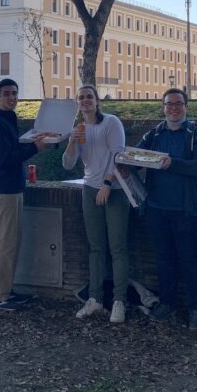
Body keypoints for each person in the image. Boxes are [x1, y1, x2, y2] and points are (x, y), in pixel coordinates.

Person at [134, 88, 197, 329]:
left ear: (186, 107)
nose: (173, 108)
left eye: (178, 104)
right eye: (169, 104)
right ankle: (167, 303)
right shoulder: (154, 134)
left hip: (186, 209)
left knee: (190, 260)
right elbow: (137, 156)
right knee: (164, 259)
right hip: (157, 208)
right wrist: (124, 165)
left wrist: (172, 164)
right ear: (163, 107)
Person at [62, 84, 129, 323]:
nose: (85, 100)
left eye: (89, 96)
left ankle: (119, 301)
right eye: (81, 98)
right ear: (77, 103)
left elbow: (118, 155)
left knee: (117, 246)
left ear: (97, 100)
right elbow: (68, 164)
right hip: (89, 188)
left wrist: (108, 184)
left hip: (114, 189)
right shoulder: (79, 128)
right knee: (96, 247)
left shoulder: (111, 123)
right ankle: (95, 299)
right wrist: (71, 142)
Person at [0, 78, 46, 311]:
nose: (12, 97)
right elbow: (2, 161)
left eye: (15, 93)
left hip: (11, 188)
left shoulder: (8, 120)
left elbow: (12, 151)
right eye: (7, 93)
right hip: (5, 189)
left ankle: (6, 291)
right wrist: (33, 149)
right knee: (6, 244)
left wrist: (32, 143)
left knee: (11, 243)